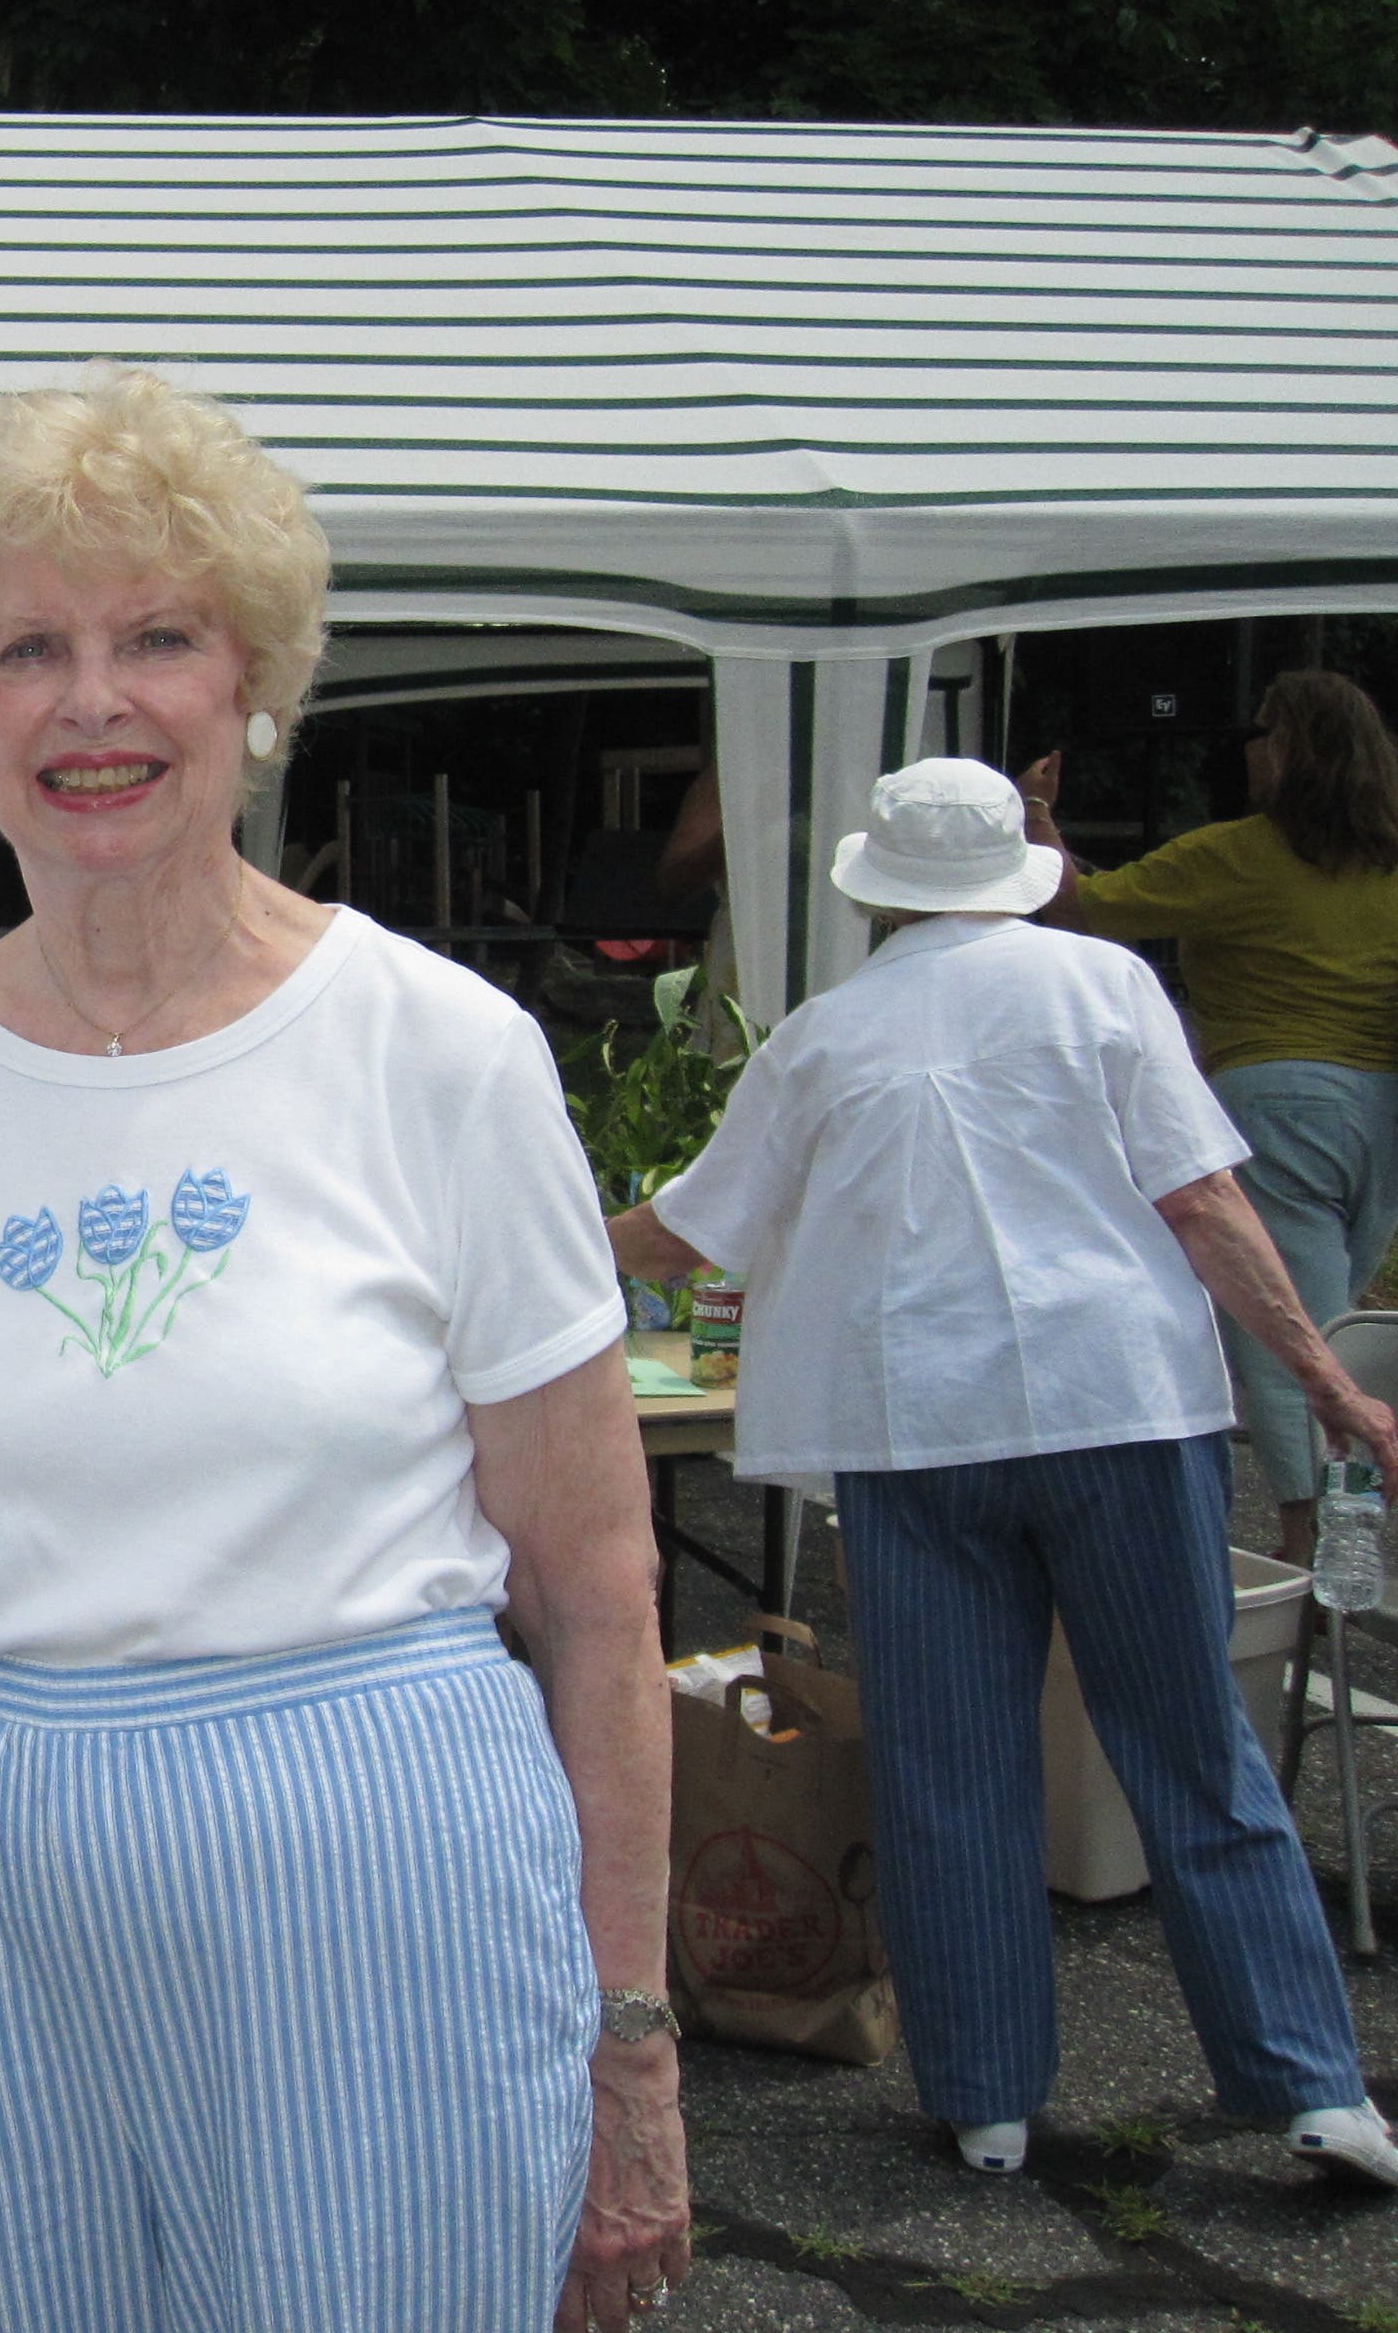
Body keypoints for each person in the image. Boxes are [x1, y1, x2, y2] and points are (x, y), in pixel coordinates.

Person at [0, 366, 691, 2333]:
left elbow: (600, 1589)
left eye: (160, 640)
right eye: (29, 647)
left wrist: (630, 2046)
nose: (93, 701)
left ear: (256, 689)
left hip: (380, 1884)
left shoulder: (439, 1052)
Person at [610, 756, 1398, 2189]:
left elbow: (687, 1230)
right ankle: (1310, 2083)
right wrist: (1327, 1378)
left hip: (921, 1431)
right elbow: (1205, 1203)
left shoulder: (827, 1036)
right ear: (1019, 871)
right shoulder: (1107, 993)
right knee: (1193, 1753)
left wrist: (526, 1248)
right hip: (1121, 1406)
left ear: (880, 892)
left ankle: (986, 2100)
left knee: (951, 1768)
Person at [1021, 669, 1398, 1565]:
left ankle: (1325, 1566)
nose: (1249, 751)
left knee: (1289, 1341)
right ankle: (1359, 1553)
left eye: (1259, 734)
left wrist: (1038, 818)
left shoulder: (1237, 852)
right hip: (1384, 1113)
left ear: (1291, 748)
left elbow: (1077, 905)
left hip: (1276, 1104)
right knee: (1343, 1325)